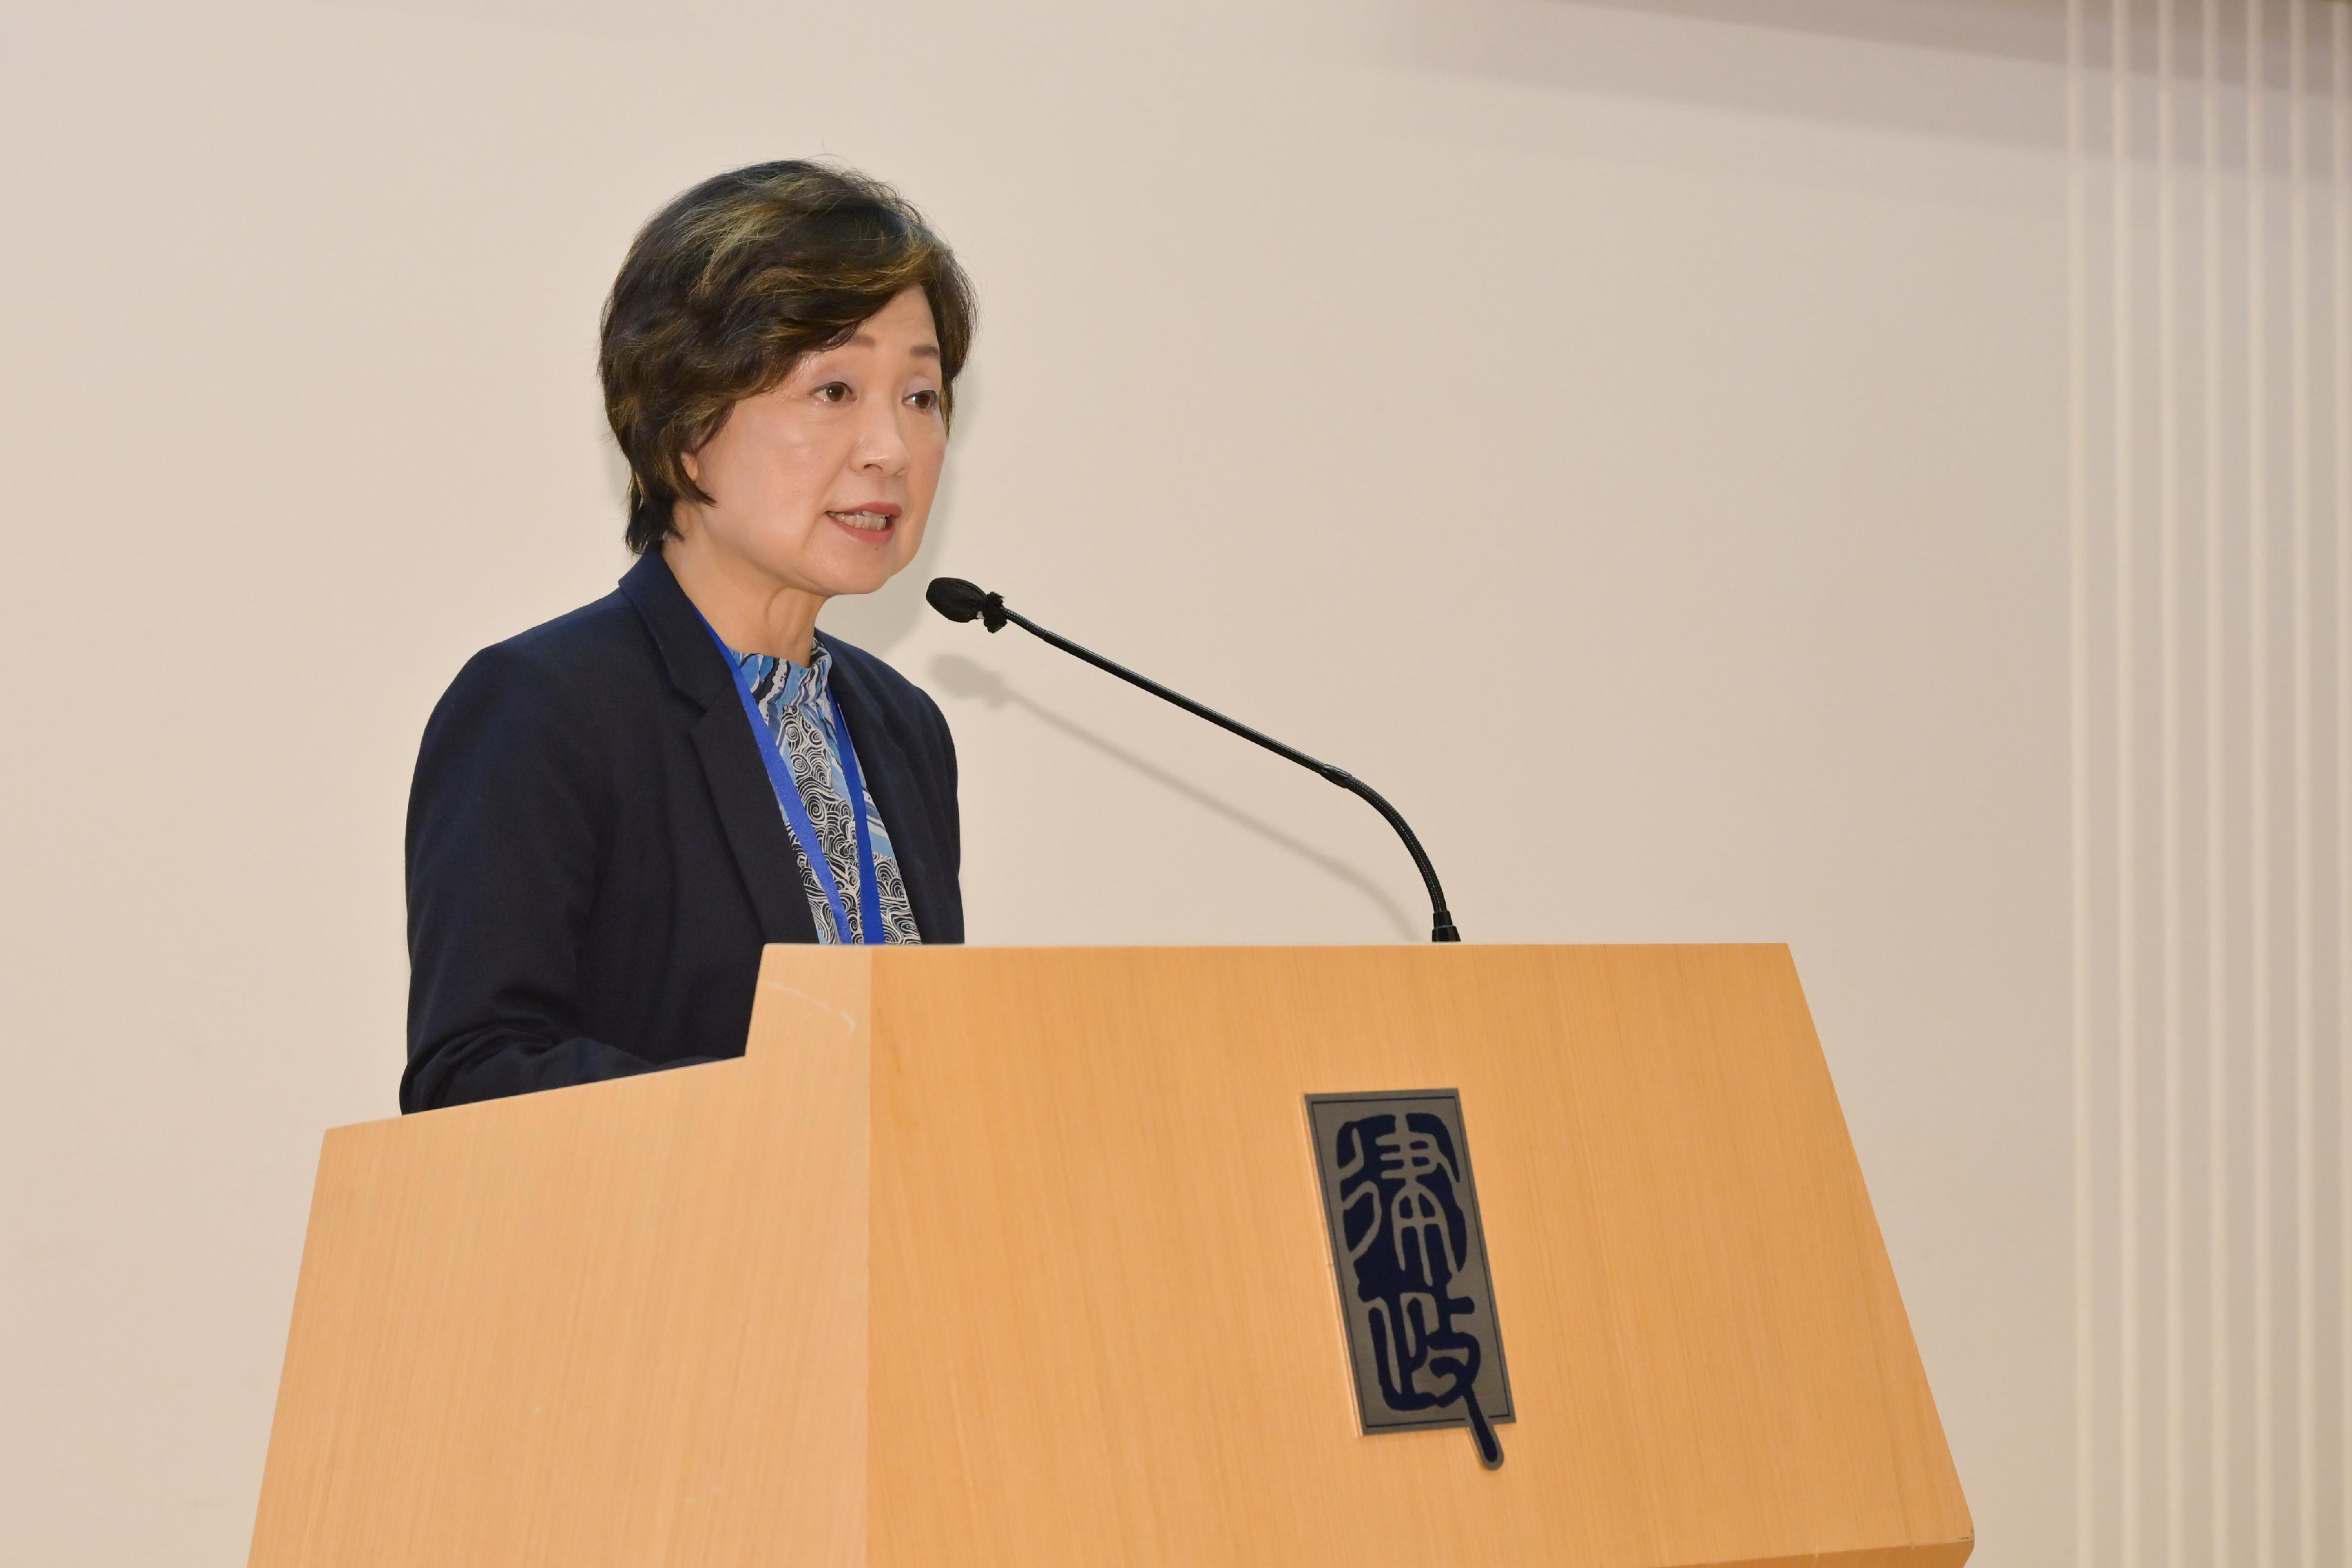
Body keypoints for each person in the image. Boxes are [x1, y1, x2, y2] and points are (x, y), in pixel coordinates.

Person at [400, 161, 975, 1112]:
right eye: (834, 390)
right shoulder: (547, 709)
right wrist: (773, 1114)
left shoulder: (900, 728)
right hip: (661, 1256)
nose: (891, 447)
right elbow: (474, 1076)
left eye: (920, 395)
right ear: (683, 426)